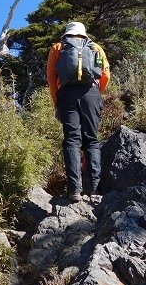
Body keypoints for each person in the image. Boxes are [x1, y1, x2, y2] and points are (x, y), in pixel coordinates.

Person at [46, 21, 110, 203]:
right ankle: (94, 189)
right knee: (91, 139)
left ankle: (74, 190)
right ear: (83, 34)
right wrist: (97, 92)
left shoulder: (57, 47)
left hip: (67, 94)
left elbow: (51, 78)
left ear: (67, 33)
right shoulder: (95, 47)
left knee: (72, 140)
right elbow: (105, 74)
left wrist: (57, 102)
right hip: (91, 92)